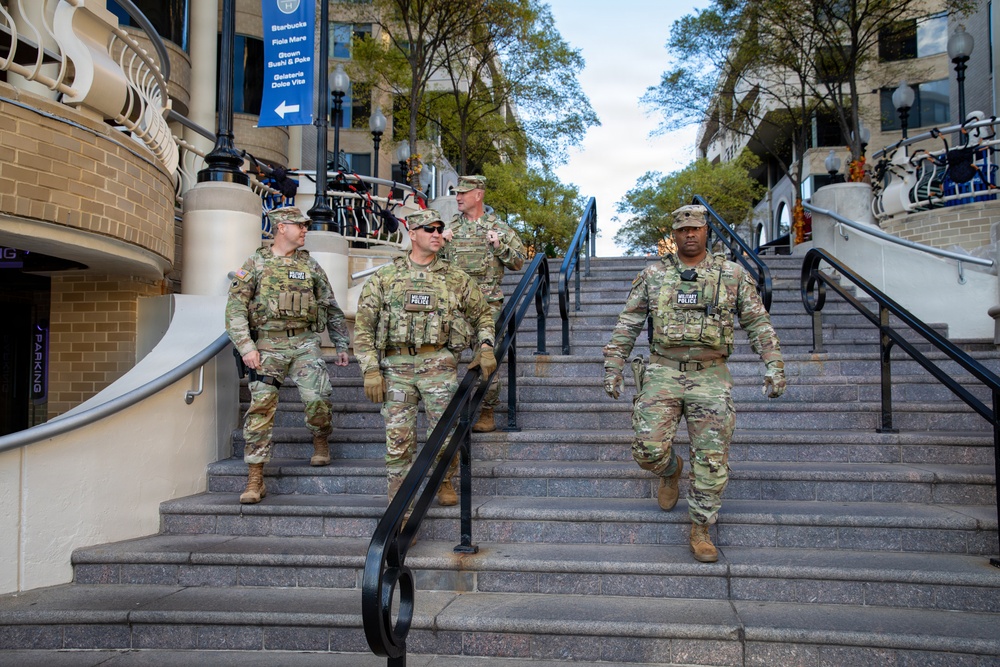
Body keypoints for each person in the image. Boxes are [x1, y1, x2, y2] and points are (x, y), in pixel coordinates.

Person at [602, 204, 785, 563]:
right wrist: (614, 366)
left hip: (711, 376)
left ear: (705, 232)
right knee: (646, 450)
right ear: (674, 234)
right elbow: (628, 324)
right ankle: (671, 470)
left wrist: (774, 364)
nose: (689, 234)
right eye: (682, 229)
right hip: (663, 371)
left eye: (696, 228)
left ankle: (700, 528)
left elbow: (758, 323)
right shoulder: (653, 275)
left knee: (712, 459)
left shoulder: (731, 275)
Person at [354, 208, 497, 508]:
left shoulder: (455, 277)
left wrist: (484, 346)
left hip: (439, 366)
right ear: (412, 233)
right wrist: (370, 369)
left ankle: (444, 479)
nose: (436, 234)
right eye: (429, 229)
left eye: (439, 229)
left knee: (445, 435)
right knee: (398, 444)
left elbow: (483, 314)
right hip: (396, 368)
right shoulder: (386, 277)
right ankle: (400, 511)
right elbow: (364, 327)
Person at [225, 206, 351, 505]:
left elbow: (330, 305)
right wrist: (247, 347)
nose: (305, 230)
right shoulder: (255, 263)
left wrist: (341, 343)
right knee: (260, 410)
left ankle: (320, 439)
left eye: (306, 225)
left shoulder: (311, 266)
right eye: (300, 225)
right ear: (282, 227)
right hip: (267, 345)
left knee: (318, 399)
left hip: (305, 343)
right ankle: (255, 478)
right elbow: (235, 309)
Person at [439, 174, 525, 432]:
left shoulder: (499, 228)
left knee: (486, 356)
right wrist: (441, 244)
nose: (458, 197)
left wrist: (499, 246)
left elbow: (519, 262)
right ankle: (445, 412)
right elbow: (434, 264)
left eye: (463, 193)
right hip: (454, 303)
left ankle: (486, 411)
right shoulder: (450, 227)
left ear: (478, 194)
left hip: (488, 304)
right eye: (457, 193)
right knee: (444, 358)